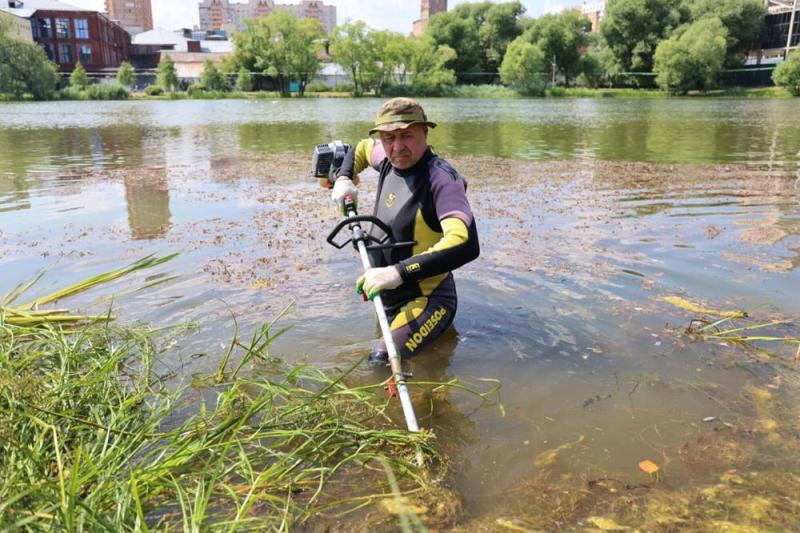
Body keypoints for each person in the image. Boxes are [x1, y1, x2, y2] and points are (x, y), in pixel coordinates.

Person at [329, 97, 480, 365]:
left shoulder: (441, 180)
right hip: (385, 291)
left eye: (407, 135)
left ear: (425, 132)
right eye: (388, 138)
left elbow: (464, 243)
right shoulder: (388, 160)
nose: (397, 147)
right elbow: (361, 149)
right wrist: (343, 177)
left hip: (428, 298)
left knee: (381, 360)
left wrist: (396, 273)